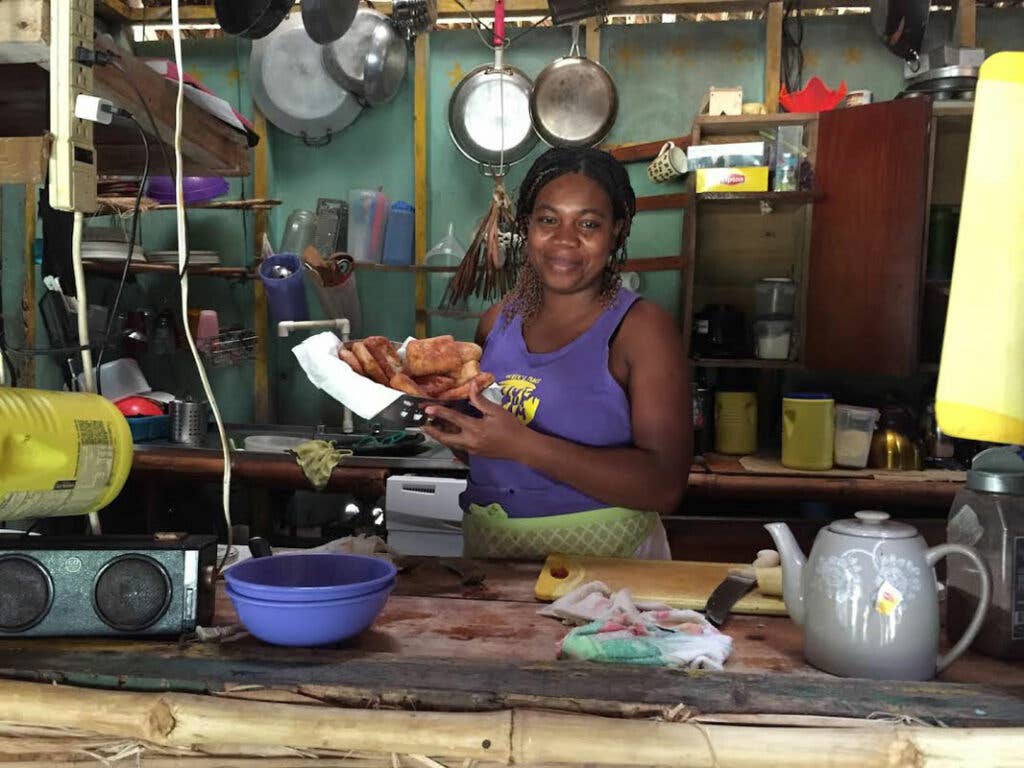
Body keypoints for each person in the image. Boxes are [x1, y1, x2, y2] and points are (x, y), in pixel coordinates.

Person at [423, 147, 692, 560]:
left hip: (611, 573)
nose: (565, 239)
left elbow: (665, 485)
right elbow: (487, 449)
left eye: (588, 223)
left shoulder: (642, 330)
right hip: (494, 563)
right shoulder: (496, 322)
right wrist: (445, 424)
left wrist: (522, 445)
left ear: (616, 232)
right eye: (548, 220)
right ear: (527, 226)